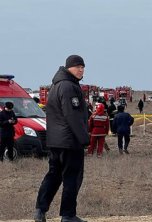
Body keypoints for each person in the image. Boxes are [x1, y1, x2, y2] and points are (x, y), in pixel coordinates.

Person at [34, 55, 89, 222]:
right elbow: (72, 115)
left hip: (55, 140)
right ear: (69, 68)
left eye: (83, 67)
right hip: (70, 141)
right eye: (78, 66)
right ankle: (68, 215)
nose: (81, 70)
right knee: (72, 177)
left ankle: (40, 210)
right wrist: (84, 138)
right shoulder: (68, 86)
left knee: (53, 175)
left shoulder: (56, 85)